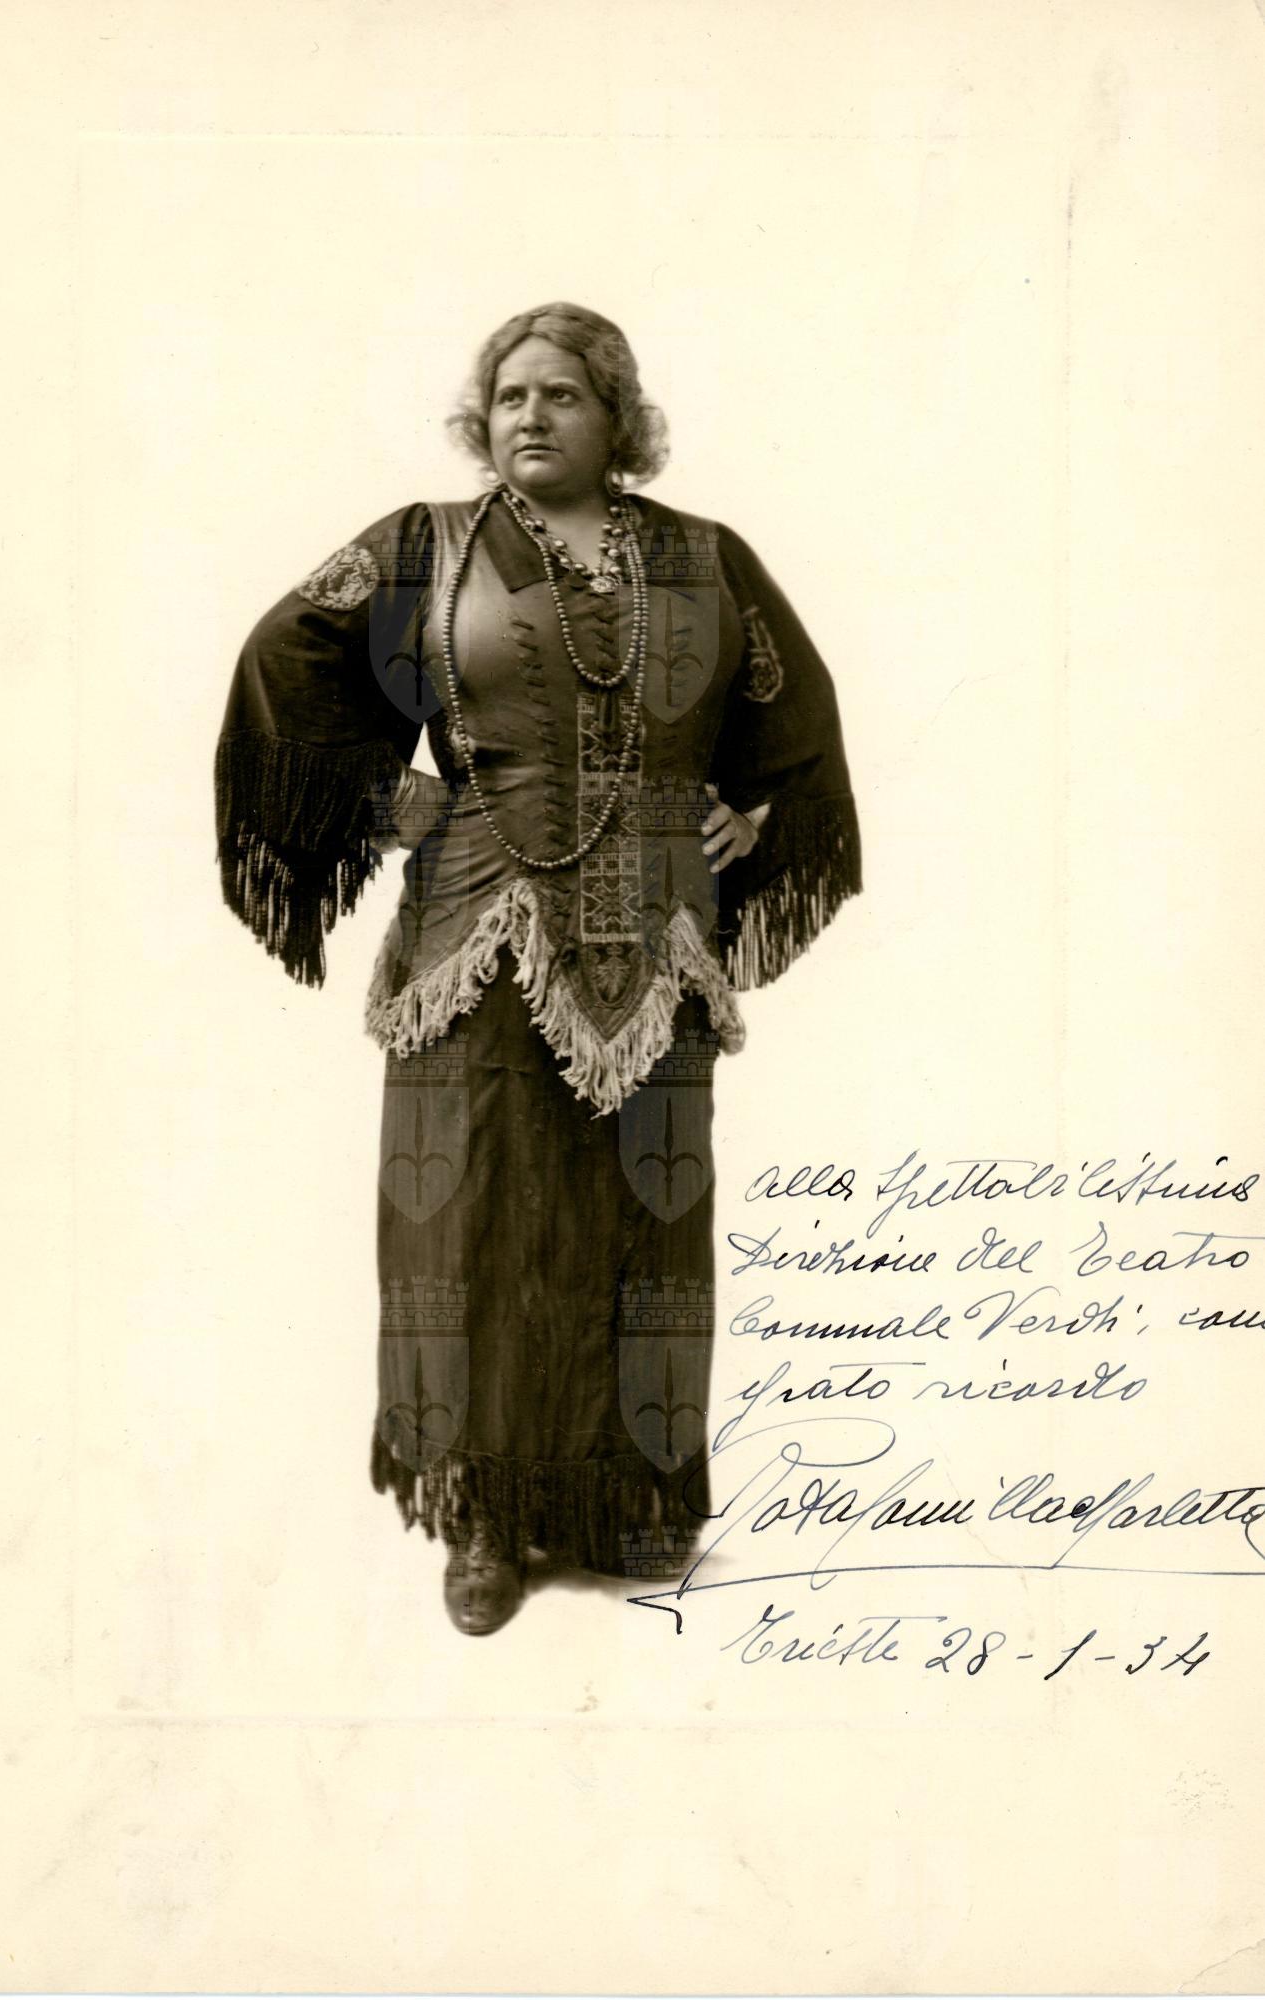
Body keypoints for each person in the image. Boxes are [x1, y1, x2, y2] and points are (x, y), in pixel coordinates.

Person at [213, 302, 861, 1636]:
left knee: (647, 1220)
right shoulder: (423, 548)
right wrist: (374, 796)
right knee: (478, 1221)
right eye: (508, 394)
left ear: (616, 416)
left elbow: (793, 719)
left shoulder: (706, 558)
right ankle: (486, 1519)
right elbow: (281, 663)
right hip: (475, 932)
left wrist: (757, 818)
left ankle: (632, 1501)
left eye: (561, 393)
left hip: (661, 938)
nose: (530, 415)